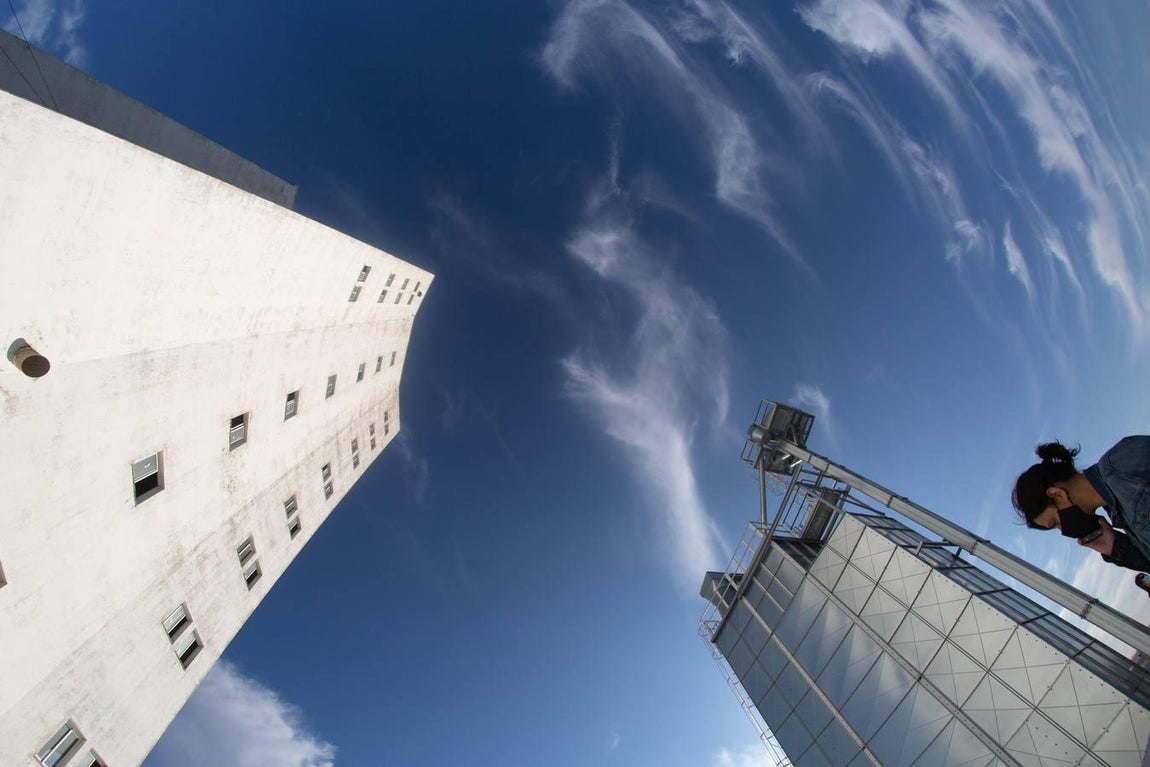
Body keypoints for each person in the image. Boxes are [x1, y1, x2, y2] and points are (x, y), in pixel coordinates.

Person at [1013, 436, 1150, 571]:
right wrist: (1115, 547)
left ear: (1057, 495)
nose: (1063, 530)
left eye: (1055, 522)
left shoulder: (1122, 461)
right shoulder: (1118, 512)